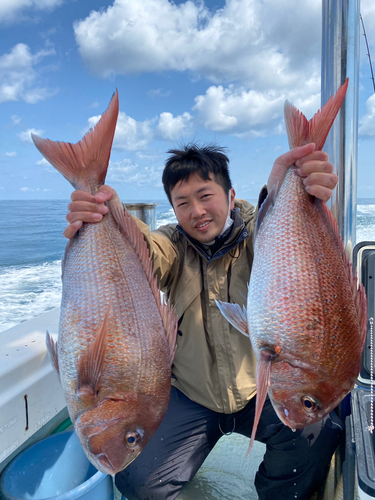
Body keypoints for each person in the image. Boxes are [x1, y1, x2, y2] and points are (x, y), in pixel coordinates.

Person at [64, 142, 343, 500]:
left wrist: (279, 191)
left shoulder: (263, 235)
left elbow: (286, 239)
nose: (196, 211)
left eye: (205, 195)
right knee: (138, 480)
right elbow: (145, 252)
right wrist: (110, 214)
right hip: (190, 396)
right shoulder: (172, 244)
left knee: (318, 433)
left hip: (260, 391)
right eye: (182, 203)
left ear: (230, 194)